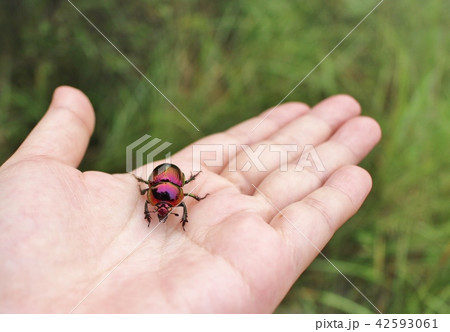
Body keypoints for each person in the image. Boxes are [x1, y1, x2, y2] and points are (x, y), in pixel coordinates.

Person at [0, 86, 381, 313]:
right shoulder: (155, 195)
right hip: (169, 177)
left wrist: (179, 206)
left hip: (174, 176)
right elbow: (161, 196)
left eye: (166, 206)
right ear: (155, 196)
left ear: (172, 198)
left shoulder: (174, 196)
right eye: (161, 206)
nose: (163, 209)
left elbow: (178, 199)